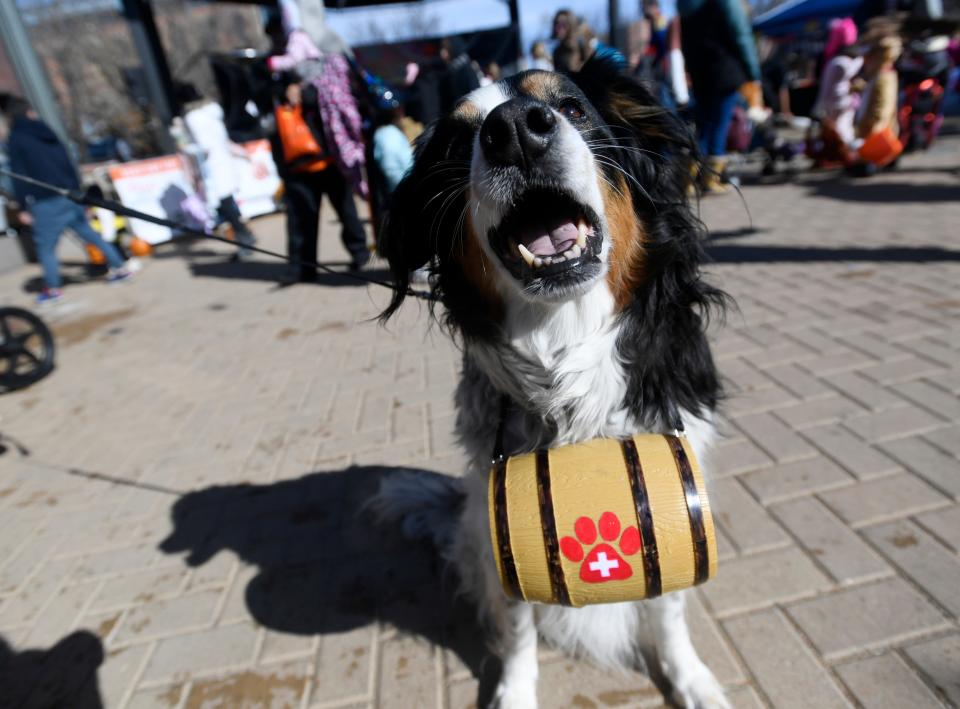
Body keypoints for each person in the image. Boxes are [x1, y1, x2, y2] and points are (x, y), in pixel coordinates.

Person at [0, 95, 134, 304]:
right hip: (69, 195)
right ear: (28, 111)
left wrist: (23, 206)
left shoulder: (17, 138)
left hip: (45, 201)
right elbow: (68, 163)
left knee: (45, 248)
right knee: (90, 234)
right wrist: (79, 193)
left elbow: (20, 175)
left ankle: (52, 288)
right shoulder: (46, 131)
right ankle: (120, 267)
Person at [268, 0, 368, 198]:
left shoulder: (299, 37)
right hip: (342, 103)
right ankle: (361, 177)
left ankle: (360, 180)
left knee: (343, 142)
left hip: (328, 106)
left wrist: (270, 63)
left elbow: (292, 59)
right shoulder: (330, 40)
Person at [678, 0, 762, 192]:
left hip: (700, 75)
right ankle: (710, 180)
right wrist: (753, 73)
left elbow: (685, 44)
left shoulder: (685, 7)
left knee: (705, 127)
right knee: (718, 127)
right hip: (726, 72)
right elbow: (742, 37)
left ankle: (688, 181)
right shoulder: (725, 3)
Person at [174, 83, 257, 261]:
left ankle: (244, 238)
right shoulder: (212, 110)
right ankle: (245, 236)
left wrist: (185, 146)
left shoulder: (193, 117)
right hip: (225, 160)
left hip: (213, 166)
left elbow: (204, 146)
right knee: (228, 202)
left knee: (225, 204)